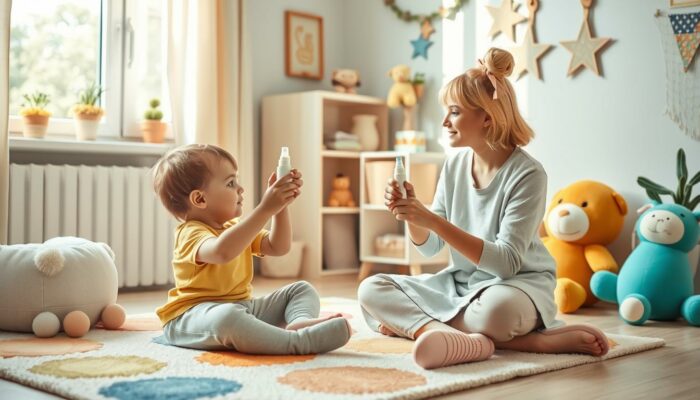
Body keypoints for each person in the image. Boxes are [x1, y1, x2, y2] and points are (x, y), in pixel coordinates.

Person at [358, 48, 609, 369]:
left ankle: (524, 339)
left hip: (517, 286)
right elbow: (429, 247)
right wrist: (411, 215)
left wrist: (431, 218)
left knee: (496, 313)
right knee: (371, 290)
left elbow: (506, 264)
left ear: (487, 117)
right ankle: (450, 334)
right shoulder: (454, 166)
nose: (445, 121)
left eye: (454, 112)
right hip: (461, 285)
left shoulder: (528, 174)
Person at [152, 144, 351, 354]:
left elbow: (279, 247)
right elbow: (222, 252)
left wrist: (279, 208)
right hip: (192, 317)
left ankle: (300, 323)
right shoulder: (190, 233)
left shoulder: (235, 229)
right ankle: (296, 342)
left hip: (243, 307)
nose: (240, 189)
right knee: (228, 317)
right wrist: (265, 208)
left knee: (301, 289)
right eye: (230, 183)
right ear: (200, 199)